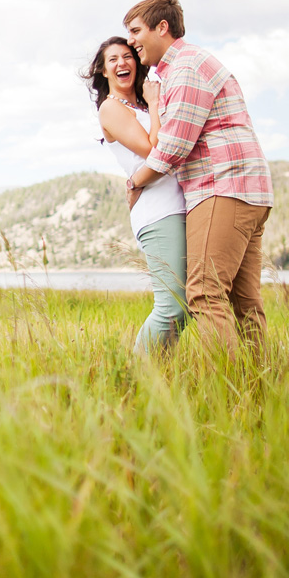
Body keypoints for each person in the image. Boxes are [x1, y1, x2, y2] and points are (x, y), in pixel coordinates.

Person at [123, 0, 274, 355]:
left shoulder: (187, 66)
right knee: (244, 302)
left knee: (204, 292)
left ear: (163, 27)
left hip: (222, 186)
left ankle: (226, 389)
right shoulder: (186, 67)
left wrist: (135, 182)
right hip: (245, 189)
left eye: (135, 31)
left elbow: (173, 145)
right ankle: (261, 386)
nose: (131, 41)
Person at [83, 36, 188, 352]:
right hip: (157, 211)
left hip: (181, 205)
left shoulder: (141, 103)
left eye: (127, 56)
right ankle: (135, 376)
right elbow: (157, 151)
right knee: (171, 307)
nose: (121, 63)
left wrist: (152, 103)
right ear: (103, 71)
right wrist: (155, 104)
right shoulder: (111, 109)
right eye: (112, 59)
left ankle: (161, 379)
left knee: (186, 307)